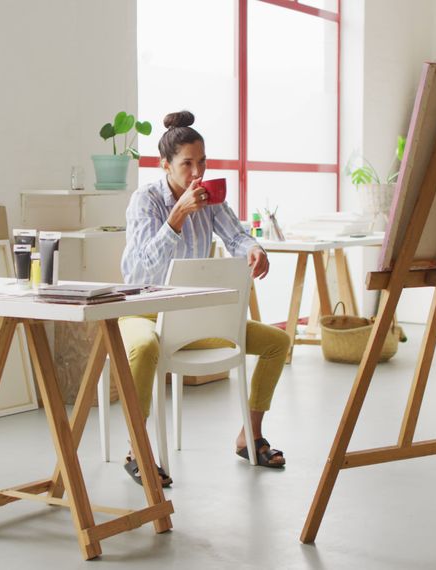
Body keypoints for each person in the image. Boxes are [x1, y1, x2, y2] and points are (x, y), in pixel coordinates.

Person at [119, 110, 291, 487]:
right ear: (165, 165)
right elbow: (136, 274)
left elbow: (236, 236)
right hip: (142, 313)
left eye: (202, 162)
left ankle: (250, 436)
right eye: (186, 164)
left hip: (191, 318)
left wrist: (254, 248)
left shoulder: (210, 197)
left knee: (277, 342)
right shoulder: (145, 201)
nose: (197, 173)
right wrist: (176, 217)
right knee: (145, 349)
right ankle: (136, 448)